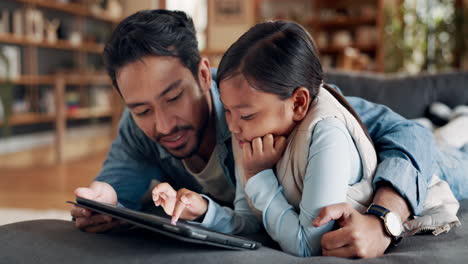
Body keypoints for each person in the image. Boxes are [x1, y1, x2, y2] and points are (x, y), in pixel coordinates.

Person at [69, 10, 459, 258]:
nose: (164, 123)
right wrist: (102, 196)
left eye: (174, 97)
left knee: (442, 144)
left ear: (204, 75)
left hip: (419, 166)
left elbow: (408, 136)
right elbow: (116, 185)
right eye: (141, 110)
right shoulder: (139, 128)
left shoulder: (268, 100)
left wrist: (383, 221)